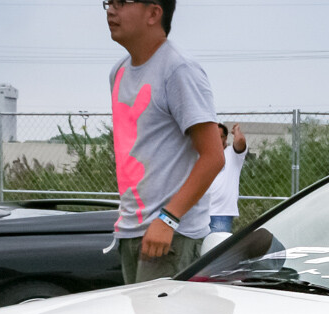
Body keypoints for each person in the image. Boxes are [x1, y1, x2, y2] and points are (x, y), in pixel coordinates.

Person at [105, 0, 223, 284]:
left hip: (172, 236)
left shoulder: (178, 70)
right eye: (108, 3)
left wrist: (168, 218)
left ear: (154, 13)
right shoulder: (118, 72)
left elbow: (213, 156)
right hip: (131, 231)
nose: (111, 10)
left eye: (121, 3)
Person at [206, 122, 247, 234]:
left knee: (216, 249)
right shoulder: (203, 154)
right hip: (200, 214)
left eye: (221, 136)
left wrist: (237, 131)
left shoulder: (233, 154)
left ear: (226, 138)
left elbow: (240, 141)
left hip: (221, 214)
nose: (217, 140)